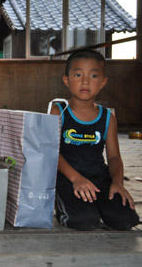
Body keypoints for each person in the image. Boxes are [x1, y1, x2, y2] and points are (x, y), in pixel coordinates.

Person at [50, 49, 139, 231]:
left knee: (126, 219)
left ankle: (98, 203)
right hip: (67, 176)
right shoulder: (59, 112)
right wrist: (76, 178)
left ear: (103, 82)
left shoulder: (107, 117)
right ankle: (62, 204)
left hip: (99, 176)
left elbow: (114, 158)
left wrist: (117, 182)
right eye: (78, 74)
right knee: (84, 220)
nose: (85, 81)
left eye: (93, 75)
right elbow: (52, 152)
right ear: (66, 80)